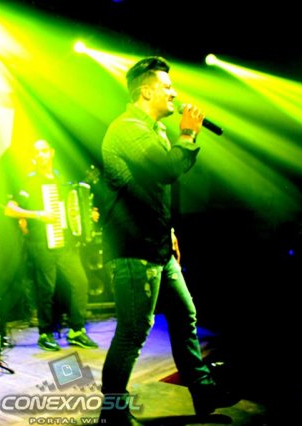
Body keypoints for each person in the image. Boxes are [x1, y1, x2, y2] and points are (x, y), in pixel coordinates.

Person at [99, 57, 239, 424]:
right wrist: (188, 134)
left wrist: (169, 229)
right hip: (133, 249)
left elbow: (150, 189)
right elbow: (165, 170)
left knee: (184, 315)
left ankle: (205, 394)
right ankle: (112, 413)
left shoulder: (154, 130)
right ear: (146, 92)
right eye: (167, 86)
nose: (174, 93)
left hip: (157, 246)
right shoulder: (127, 128)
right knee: (133, 333)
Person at [4, 139, 99, 351]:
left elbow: (73, 207)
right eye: (37, 152)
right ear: (33, 157)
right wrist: (38, 215)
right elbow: (10, 209)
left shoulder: (62, 179)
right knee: (46, 289)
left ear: (52, 153)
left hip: (66, 242)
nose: (41, 155)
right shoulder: (28, 181)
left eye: (44, 151)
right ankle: (45, 333)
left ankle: (76, 331)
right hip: (41, 242)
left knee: (80, 282)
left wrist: (87, 215)